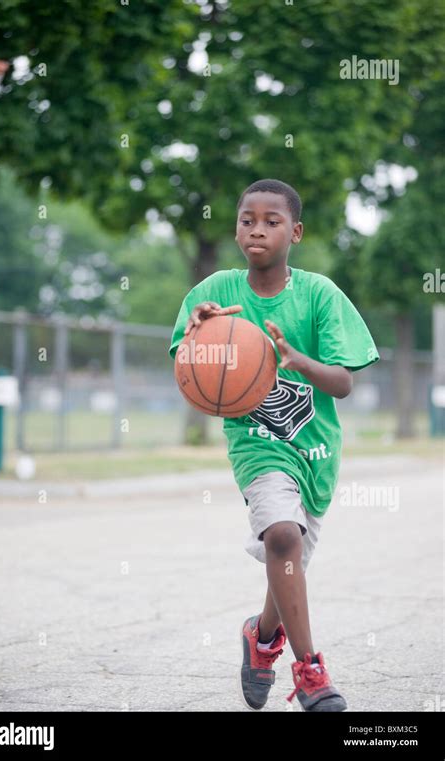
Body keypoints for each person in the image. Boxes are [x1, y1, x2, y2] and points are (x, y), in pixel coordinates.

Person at [168, 178, 380, 712]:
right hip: (256, 445)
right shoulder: (214, 295)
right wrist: (200, 336)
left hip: (316, 452)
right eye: (247, 219)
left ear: (296, 232)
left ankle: (260, 638)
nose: (257, 229)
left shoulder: (319, 295)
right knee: (281, 537)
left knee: (288, 560)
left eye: (272, 220)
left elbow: (343, 382)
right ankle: (311, 673)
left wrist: (297, 359)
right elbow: (187, 369)